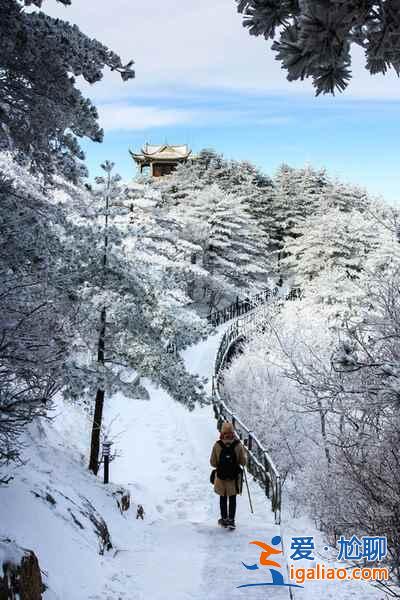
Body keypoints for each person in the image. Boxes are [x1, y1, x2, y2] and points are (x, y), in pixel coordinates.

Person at [210, 421, 247, 529]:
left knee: (223, 498)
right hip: (233, 477)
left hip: (221, 477)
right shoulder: (238, 445)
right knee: (232, 498)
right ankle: (231, 520)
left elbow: (213, 463)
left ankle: (224, 519)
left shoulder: (217, 445)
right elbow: (243, 462)